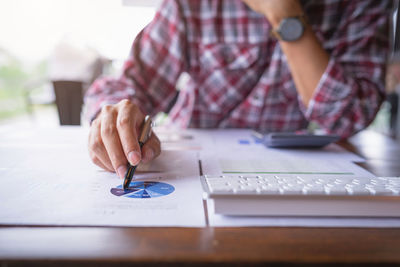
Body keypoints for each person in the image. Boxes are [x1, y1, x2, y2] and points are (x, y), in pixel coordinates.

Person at [84, 0, 391, 177]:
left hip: (296, 176)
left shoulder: (362, 6)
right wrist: (114, 113)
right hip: (190, 172)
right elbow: (131, 85)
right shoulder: (193, 4)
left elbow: (348, 118)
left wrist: (284, 15)